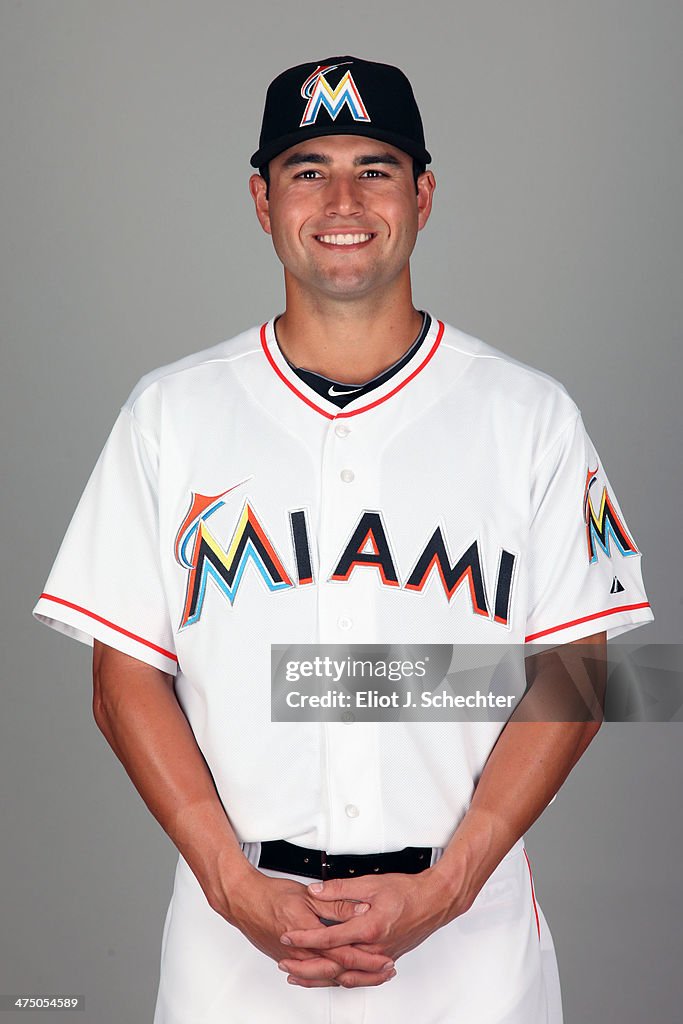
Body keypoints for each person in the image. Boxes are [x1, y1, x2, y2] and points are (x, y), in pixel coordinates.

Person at [33, 56, 653, 1023]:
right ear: (261, 198)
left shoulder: (526, 415)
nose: (341, 198)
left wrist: (446, 886)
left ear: (423, 194)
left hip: (469, 943)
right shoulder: (171, 414)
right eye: (306, 168)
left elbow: (576, 670)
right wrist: (232, 889)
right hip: (232, 943)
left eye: (374, 167)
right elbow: (125, 679)